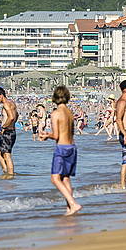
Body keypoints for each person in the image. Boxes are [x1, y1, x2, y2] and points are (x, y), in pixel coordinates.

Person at [40, 86, 82, 216]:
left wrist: (47, 135)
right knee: (65, 178)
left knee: (55, 178)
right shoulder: (69, 112)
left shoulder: (55, 113)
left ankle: (73, 204)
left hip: (62, 148)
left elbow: (57, 135)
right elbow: (70, 132)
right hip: (72, 147)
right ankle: (69, 208)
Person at [0, 87, 18, 176]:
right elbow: (16, 115)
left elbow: (11, 117)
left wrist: (3, 127)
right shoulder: (12, 103)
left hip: (8, 132)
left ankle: (10, 174)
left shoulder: (6, 104)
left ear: (1, 95)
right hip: (11, 131)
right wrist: (12, 124)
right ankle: (6, 171)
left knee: (6, 155)